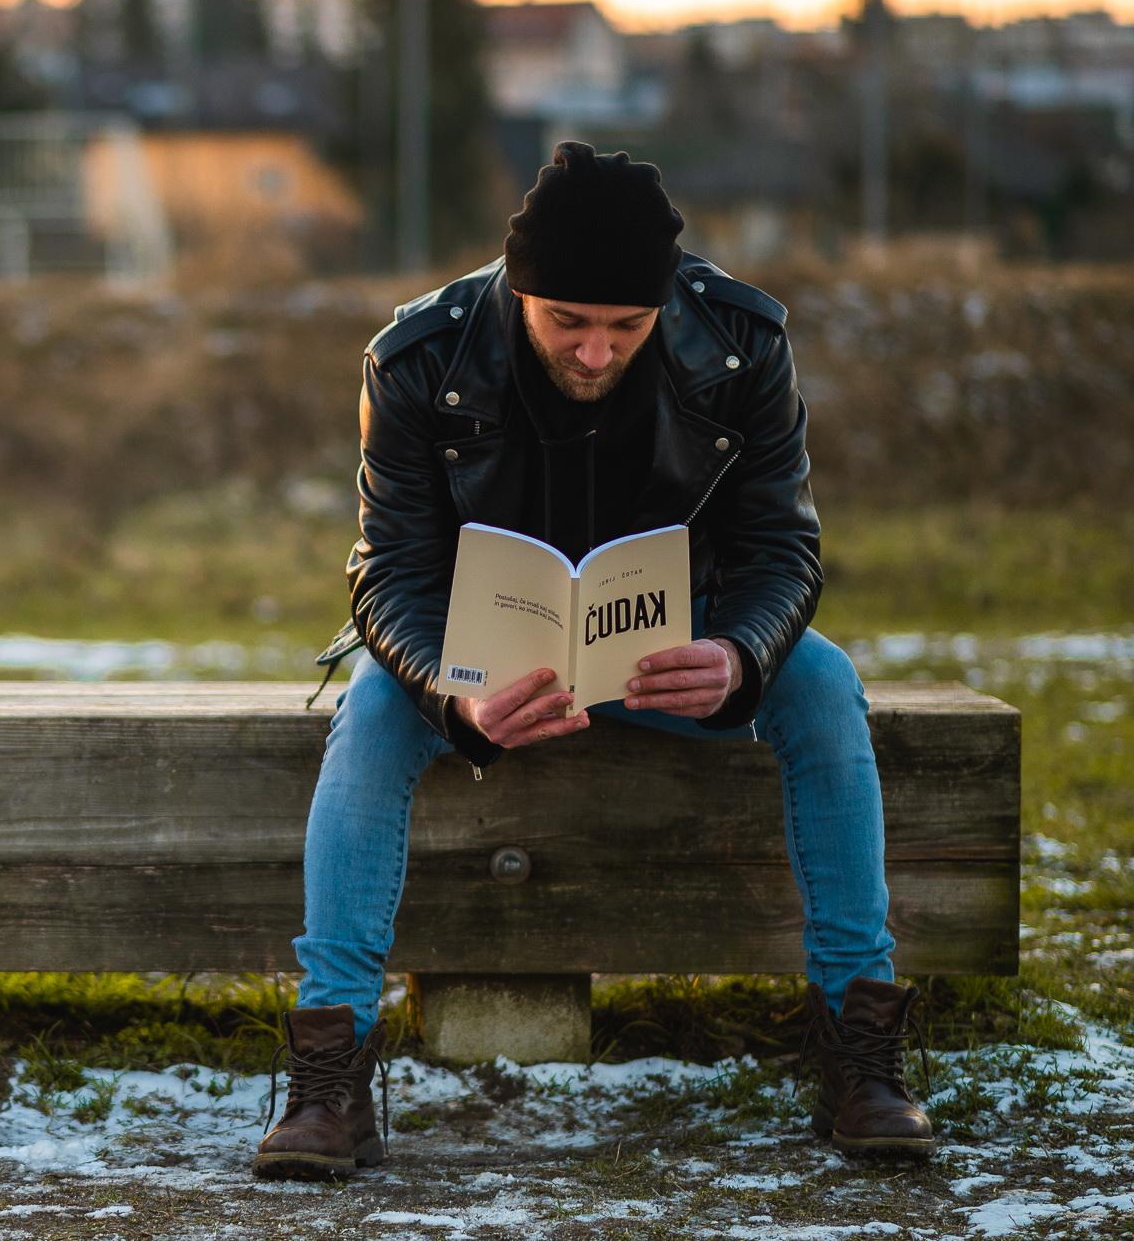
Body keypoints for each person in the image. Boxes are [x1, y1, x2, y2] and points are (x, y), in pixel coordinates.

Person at [252, 141, 934, 1182]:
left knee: (824, 682)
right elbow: (388, 572)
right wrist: (452, 694)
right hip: (481, 672)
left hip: (672, 652)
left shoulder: (743, 343)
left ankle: (862, 1049)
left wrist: (739, 656)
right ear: (521, 288)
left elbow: (783, 546)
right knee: (375, 708)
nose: (593, 351)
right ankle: (327, 1072)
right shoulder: (417, 359)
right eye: (567, 321)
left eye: (625, 325)